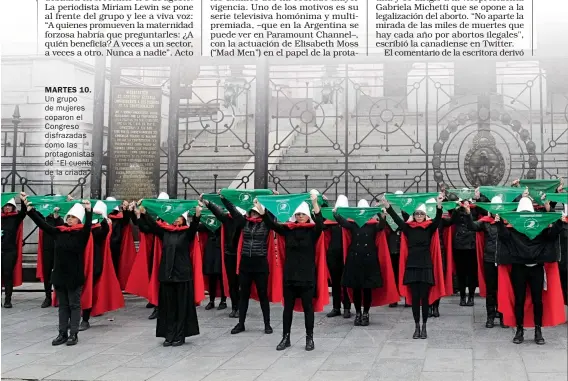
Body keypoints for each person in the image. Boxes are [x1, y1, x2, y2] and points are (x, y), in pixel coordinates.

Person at [495, 197, 566, 345]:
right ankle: (519, 330)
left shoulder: (540, 227)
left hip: (536, 268)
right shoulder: (513, 227)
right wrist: (499, 222)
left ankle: (538, 330)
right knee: (519, 300)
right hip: (519, 268)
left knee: (537, 300)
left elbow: (551, 235)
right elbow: (505, 237)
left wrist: (556, 218)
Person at [259, 194, 325, 351]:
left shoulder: (312, 231)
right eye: (298, 214)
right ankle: (285, 337)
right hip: (290, 276)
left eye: (303, 214)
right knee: (287, 309)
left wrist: (315, 203)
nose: (300, 217)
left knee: (308, 308)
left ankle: (310, 338)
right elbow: (271, 224)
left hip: (307, 276)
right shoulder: (288, 230)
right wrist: (262, 209)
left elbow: (321, 224)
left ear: (308, 216)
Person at [26, 198, 93, 346]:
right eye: (68, 217)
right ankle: (62, 333)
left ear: (78, 220)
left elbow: (88, 226)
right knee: (63, 305)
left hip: (74, 275)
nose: (70, 219)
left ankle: (73, 334)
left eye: (73, 218)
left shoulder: (82, 234)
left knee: (74, 305)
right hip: (59, 275)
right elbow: (43, 225)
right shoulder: (59, 232)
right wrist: (30, 211)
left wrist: (88, 211)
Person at [136, 203, 202, 347]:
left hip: (183, 275)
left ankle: (180, 335)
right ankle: (169, 335)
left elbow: (194, 227)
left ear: (184, 219)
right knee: (168, 308)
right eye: (175, 217)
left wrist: (197, 215)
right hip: (167, 275)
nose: (177, 220)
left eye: (180, 217)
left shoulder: (187, 233)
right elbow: (153, 226)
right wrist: (144, 213)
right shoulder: (165, 232)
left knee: (181, 307)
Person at [383, 194, 445, 339]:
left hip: (425, 266)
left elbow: (437, 219)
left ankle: (424, 327)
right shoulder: (408, 228)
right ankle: (416, 326)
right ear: (414, 215)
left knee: (425, 299)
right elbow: (397, 220)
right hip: (412, 267)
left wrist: (439, 205)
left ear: (425, 215)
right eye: (416, 213)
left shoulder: (429, 228)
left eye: (421, 214)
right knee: (415, 299)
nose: (418, 216)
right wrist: (388, 206)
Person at [220, 193, 276, 335]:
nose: (254, 213)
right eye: (252, 211)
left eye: (256, 211)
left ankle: (267, 324)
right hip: (246, 263)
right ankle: (241, 324)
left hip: (260, 263)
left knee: (263, 295)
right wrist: (223, 198)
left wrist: (273, 198)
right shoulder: (244, 222)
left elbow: (271, 215)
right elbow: (233, 211)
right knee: (243, 294)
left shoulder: (266, 223)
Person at [333, 199, 386, 326]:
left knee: (367, 289)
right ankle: (358, 313)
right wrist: (336, 213)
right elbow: (342, 222)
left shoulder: (374, 225)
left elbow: (382, 225)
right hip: (355, 259)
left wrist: (381, 214)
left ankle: (366, 313)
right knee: (356, 288)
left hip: (369, 260)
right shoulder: (353, 224)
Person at [79, 201, 124, 331]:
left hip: (94, 263)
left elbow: (103, 232)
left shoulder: (100, 227)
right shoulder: (82, 226)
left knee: (88, 290)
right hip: (78, 261)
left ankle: (85, 318)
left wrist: (103, 218)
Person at [465, 196, 507, 328]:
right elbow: (472, 226)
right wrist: (467, 214)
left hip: (504, 260)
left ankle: (503, 316)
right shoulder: (485, 222)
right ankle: (490, 316)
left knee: (503, 289)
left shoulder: (507, 221)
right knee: (491, 289)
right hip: (489, 259)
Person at [126, 192, 169, 320]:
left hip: (165, 252)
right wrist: (137, 214)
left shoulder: (168, 220)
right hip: (156, 250)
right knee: (154, 276)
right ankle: (155, 303)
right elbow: (145, 227)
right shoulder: (158, 218)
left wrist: (142, 214)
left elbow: (151, 227)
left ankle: (159, 306)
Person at [201, 195, 245, 318]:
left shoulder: (243, 221)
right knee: (232, 283)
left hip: (241, 255)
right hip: (229, 254)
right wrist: (208, 203)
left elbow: (231, 211)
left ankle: (241, 307)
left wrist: (224, 199)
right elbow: (218, 213)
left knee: (241, 284)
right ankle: (235, 306)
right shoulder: (227, 220)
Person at [445, 200, 478, 306]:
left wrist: (475, 201)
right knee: (461, 273)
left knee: (472, 273)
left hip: (471, 245)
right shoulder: (457, 211)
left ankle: (471, 296)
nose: (465, 204)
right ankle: (462, 296)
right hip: (459, 245)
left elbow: (476, 221)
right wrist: (456, 208)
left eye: (467, 202)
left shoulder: (474, 209)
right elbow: (450, 221)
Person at [324, 195, 352, 318]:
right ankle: (336, 307)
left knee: (345, 281)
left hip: (346, 254)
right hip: (333, 254)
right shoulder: (330, 222)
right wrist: (323, 203)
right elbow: (320, 221)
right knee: (335, 282)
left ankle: (347, 307)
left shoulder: (350, 221)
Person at [197, 208, 228, 312]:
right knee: (211, 276)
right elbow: (199, 227)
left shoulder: (224, 218)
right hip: (210, 248)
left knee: (220, 275)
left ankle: (223, 300)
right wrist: (198, 216)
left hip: (220, 248)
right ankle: (211, 300)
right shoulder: (208, 219)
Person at [36, 200, 64, 308]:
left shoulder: (61, 219)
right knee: (47, 275)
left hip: (59, 251)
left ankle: (59, 297)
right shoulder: (44, 218)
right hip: (47, 250)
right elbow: (34, 212)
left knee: (59, 274)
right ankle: (47, 297)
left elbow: (61, 226)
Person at [1, 193, 27, 308]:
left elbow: (23, 213)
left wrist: (22, 200)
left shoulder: (15, 218)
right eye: (5, 205)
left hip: (9, 251)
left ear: (13, 207)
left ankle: (7, 299)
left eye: (9, 205)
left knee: (7, 275)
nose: (7, 207)